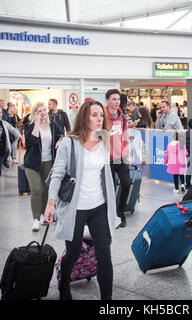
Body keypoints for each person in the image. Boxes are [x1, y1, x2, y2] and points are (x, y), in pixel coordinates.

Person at [44, 99, 117, 301]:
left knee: (104, 254)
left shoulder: (104, 140)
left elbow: (106, 176)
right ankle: (64, 282)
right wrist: (51, 204)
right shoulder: (70, 143)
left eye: (101, 115)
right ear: (84, 118)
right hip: (75, 208)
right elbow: (57, 173)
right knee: (73, 253)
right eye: (94, 115)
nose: (99, 118)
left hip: (99, 207)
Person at [24, 101, 64, 232]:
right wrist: (36, 124)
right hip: (32, 163)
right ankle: (35, 219)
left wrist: (60, 139)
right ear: (35, 113)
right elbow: (31, 143)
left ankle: (41, 214)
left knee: (46, 190)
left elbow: (61, 133)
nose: (42, 113)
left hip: (48, 162)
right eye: (39, 111)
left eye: (43, 110)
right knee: (36, 189)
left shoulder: (52, 124)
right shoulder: (29, 125)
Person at [104, 89, 130, 228]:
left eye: (118, 99)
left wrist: (127, 155)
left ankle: (121, 212)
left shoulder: (123, 118)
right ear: (107, 100)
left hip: (121, 158)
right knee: (110, 188)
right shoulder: (101, 116)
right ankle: (110, 213)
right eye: (113, 99)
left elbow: (124, 138)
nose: (116, 102)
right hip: (106, 159)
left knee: (126, 184)